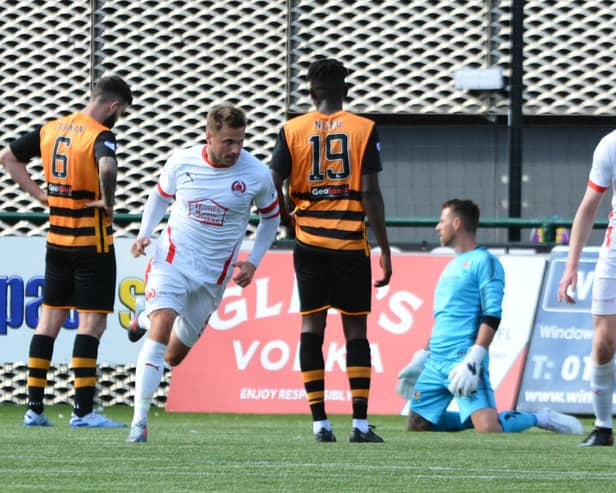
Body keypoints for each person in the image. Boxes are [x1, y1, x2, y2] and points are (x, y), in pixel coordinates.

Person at [126, 104, 280, 443]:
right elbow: (159, 198)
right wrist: (144, 232)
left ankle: (142, 315)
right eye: (228, 142)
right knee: (162, 327)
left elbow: (271, 218)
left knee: (173, 356)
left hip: (214, 275)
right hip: (173, 260)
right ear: (208, 136)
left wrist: (253, 260)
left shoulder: (256, 174)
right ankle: (139, 423)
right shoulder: (182, 161)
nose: (235, 149)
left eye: (240, 141)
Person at [270, 58, 392, 443]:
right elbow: (371, 192)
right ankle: (358, 424)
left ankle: (319, 423)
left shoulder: (292, 129)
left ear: (310, 91)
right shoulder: (364, 128)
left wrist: (286, 214)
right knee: (355, 329)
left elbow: (271, 178)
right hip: (349, 243)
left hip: (308, 243)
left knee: (311, 327)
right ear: (346, 89)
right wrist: (384, 247)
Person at [0, 75, 133, 427]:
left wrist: (39, 195)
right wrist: (109, 200)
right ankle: (83, 411)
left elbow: (8, 158)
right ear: (113, 106)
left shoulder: (51, 129)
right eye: (121, 112)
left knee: (48, 322)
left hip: (56, 240)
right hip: (92, 243)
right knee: (91, 325)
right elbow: (107, 165)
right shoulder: (100, 134)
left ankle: (34, 408)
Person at [399, 199, 583, 435]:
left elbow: (492, 314)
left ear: (456, 223)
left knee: (488, 429)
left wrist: (473, 359)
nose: (437, 227)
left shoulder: (485, 261)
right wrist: (421, 356)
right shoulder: (450, 266)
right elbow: (443, 318)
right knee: (417, 425)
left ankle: (540, 417)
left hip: (463, 358)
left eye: (441, 221)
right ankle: (480, 417)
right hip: (436, 362)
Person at [558, 130, 616, 447]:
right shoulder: (610, 145)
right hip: (614, 254)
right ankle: (603, 427)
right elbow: (589, 206)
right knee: (605, 341)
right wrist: (571, 268)